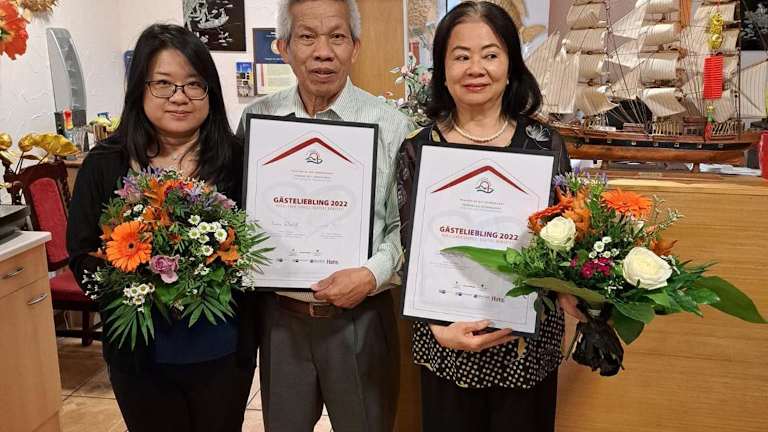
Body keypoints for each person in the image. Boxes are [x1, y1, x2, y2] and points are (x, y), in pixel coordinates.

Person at [395, 3, 584, 432]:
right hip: (447, 342)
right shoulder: (418, 148)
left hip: (525, 348)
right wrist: (435, 324)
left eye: (491, 54)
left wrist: (575, 290)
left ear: (511, 65)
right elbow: (408, 245)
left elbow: (567, 234)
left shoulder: (544, 144)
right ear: (442, 70)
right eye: (461, 56)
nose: (475, 68)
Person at [67, 24, 257, 432]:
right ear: (140, 89)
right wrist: (139, 280)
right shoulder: (106, 163)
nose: (180, 96)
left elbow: (259, 250)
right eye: (164, 84)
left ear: (210, 92)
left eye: (194, 84)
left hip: (222, 354)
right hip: (140, 357)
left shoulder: (240, 160)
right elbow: (81, 252)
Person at [236, 0, 411, 430]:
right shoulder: (257, 119)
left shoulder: (392, 125)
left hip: (361, 319)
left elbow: (403, 228)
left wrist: (370, 274)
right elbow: (239, 213)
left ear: (355, 47)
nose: (323, 52)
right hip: (281, 320)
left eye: (337, 37)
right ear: (283, 47)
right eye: (307, 37)